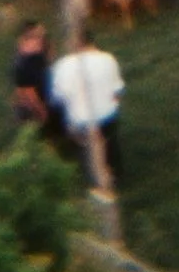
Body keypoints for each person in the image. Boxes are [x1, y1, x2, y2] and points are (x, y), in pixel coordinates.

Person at [51, 34, 126, 188]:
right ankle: (116, 173)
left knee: (86, 148)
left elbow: (58, 98)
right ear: (92, 42)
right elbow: (118, 91)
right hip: (107, 116)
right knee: (110, 142)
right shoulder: (107, 59)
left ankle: (95, 177)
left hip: (80, 121)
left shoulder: (62, 66)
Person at [10, 24, 54, 131]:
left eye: (43, 37)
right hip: (34, 112)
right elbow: (28, 93)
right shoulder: (26, 63)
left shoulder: (36, 59)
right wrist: (44, 114)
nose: (42, 41)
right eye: (37, 37)